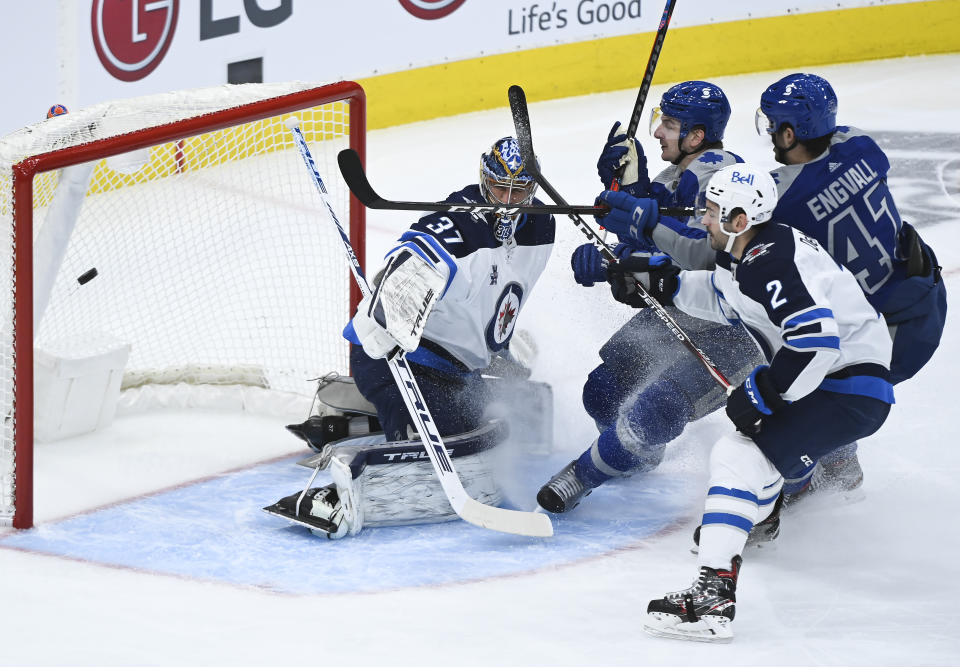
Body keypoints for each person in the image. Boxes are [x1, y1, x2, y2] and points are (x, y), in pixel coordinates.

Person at [630, 164, 894, 641]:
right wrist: (655, 283)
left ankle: (711, 598)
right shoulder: (755, 251)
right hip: (844, 379)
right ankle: (756, 522)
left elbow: (816, 340)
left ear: (737, 220)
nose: (701, 219)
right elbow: (726, 299)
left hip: (847, 384)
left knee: (738, 452)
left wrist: (765, 393)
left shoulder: (769, 259)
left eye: (710, 211)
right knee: (752, 444)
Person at [265, 136, 556, 538]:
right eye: (498, 187)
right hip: (398, 359)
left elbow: (500, 289)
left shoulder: (541, 223)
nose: (505, 201)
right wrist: (390, 306)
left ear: (533, 189)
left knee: (502, 413)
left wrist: (496, 346)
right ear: (483, 178)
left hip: (459, 367)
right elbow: (412, 253)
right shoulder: (458, 225)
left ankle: (351, 417)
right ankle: (347, 461)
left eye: (517, 190)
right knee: (451, 439)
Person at [536, 81, 763, 517]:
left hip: (734, 328)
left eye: (671, 125)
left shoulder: (720, 177)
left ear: (697, 137)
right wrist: (610, 253)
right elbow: (644, 241)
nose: (658, 132)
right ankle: (630, 452)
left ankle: (582, 476)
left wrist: (628, 241)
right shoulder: (675, 177)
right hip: (685, 312)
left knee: (652, 413)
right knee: (603, 392)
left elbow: (700, 256)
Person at [751, 72, 946, 496]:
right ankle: (838, 460)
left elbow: (736, 234)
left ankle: (812, 472)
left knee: (793, 360)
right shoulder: (861, 145)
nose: (768, 133)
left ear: (789, 132)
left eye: (773, 125)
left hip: (888, 340)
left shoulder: (785, 204)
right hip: (927, 300)